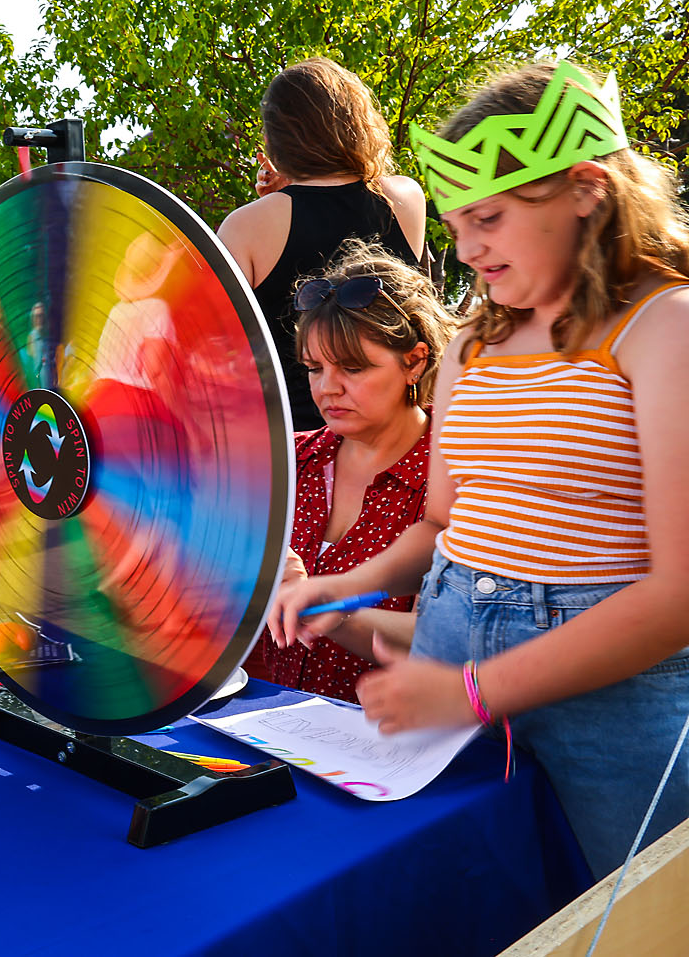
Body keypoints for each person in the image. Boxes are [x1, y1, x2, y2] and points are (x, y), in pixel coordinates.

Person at [274, 61, 689, 877]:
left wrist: (472, 689)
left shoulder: (663, 327)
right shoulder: (475, 342)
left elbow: (677, 595)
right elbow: (440, 524)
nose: (465, 249)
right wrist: (343, 584)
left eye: (490, 219)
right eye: (459, 223)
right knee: (452, 901)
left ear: (586, 189)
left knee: (630, 917)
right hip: (452, 642)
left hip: (611, 698)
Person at [243, 243, 456, 702]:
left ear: (415, 361)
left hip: (391, 749)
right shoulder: (286, 462)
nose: (327, 388)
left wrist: (327, 609)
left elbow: (447, 643)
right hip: (268, 733)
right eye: (314, 369)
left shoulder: (456, 475)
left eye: (353, 368)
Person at [218, 57, 429, 431]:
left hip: (297, 445)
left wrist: (271, 200)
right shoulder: (405, 199)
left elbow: (221, 353)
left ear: (274, 140)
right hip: (395, 435)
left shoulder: (246, 226)